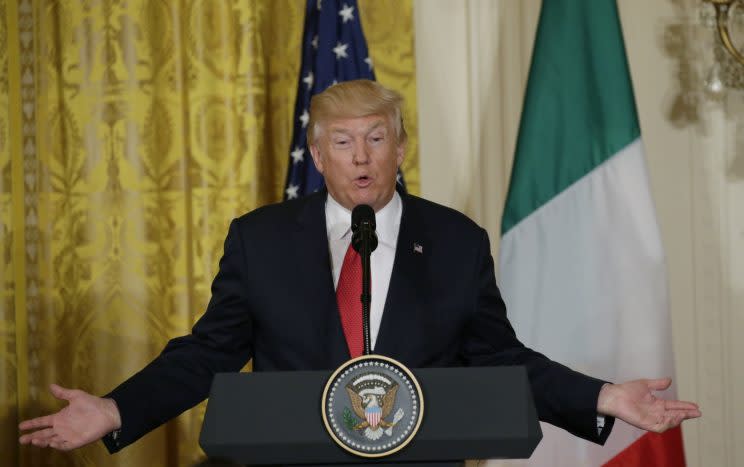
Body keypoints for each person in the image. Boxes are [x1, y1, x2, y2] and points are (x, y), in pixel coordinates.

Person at [19, 80, 701, 457]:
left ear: (400, 147)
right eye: (343, 142)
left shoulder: (457, 241)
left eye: (377, 138)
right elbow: (209, 353)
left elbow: (499, 357)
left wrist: (606, 397)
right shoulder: (260, 240)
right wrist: (114, 408)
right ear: (317, 155)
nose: (362, 156)